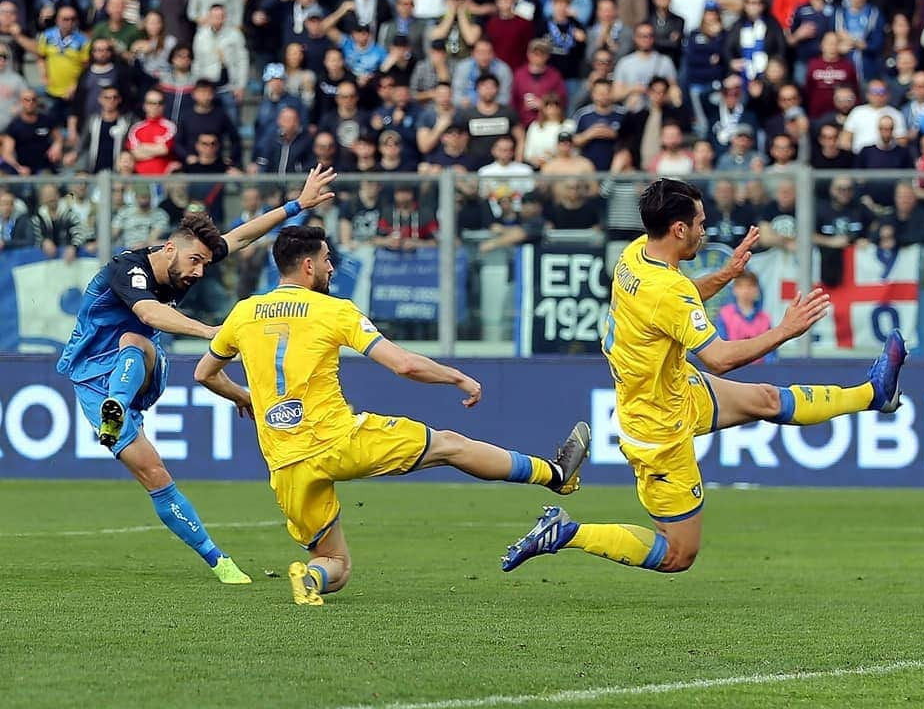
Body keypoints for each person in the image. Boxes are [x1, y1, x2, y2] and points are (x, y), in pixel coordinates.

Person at [500, 178, 907, 574]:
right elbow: (720, 357)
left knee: (765, 399)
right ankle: (567, 532)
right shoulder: (665, 290)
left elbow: (677, 303)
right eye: (700, 224)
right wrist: (784, 331)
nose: (704, 231)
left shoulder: (637, 253)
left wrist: (727, 274)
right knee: (678, 555)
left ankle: (874, 393)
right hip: (658, 428)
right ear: (679, 229)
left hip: (675, 388)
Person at [192, 223, 591, 606]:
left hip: (285, 464)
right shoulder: (334, 311)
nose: (332, 267)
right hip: (339, 441)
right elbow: (403, 365)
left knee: (335, 563)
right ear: (309, 265)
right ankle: (554, 475)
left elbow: (204, 373)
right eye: (328, 259)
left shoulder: (243, 313)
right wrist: (456, 377)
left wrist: (245, 397)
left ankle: (312, 576)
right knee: (451, 445)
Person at [54, 165, 339, 586]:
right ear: (170, 248)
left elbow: (241, 236)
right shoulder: (127, 270)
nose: (199, 272)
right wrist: (213, 331)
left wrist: (297, 204)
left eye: (205, 263)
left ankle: (118, 402)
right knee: (155, 476)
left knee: (135, 339)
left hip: (139, 365)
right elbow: (150, 311)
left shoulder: (190, 259)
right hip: (89, 380)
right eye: (195, 262)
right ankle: (219, 562)